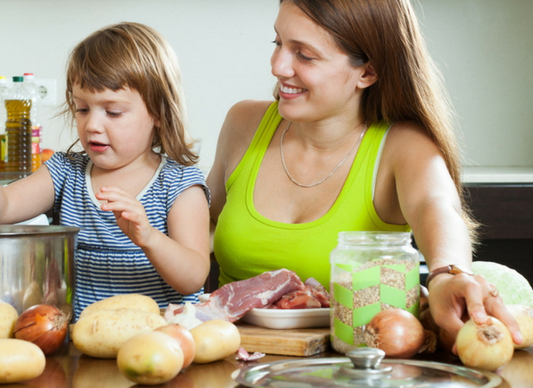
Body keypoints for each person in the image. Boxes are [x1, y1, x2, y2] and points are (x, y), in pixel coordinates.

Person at [207, 0, 522, 352]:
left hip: (356, 366)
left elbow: (436, 206)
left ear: (367, 72)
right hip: (230, 359)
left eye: (305, 55)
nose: (278, 66)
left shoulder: (404, 147)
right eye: (278, 43)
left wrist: (447, 274)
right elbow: (204, 227)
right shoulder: (243, 125)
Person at [0, 22, 211, 319]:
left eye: (112, 112)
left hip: (158, 345)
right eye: (82, 109)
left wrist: (148, 237)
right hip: (82, 346)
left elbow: (193, 277)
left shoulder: (179, 185)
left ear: (159, 112)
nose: (92, 125)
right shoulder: (66, 173)